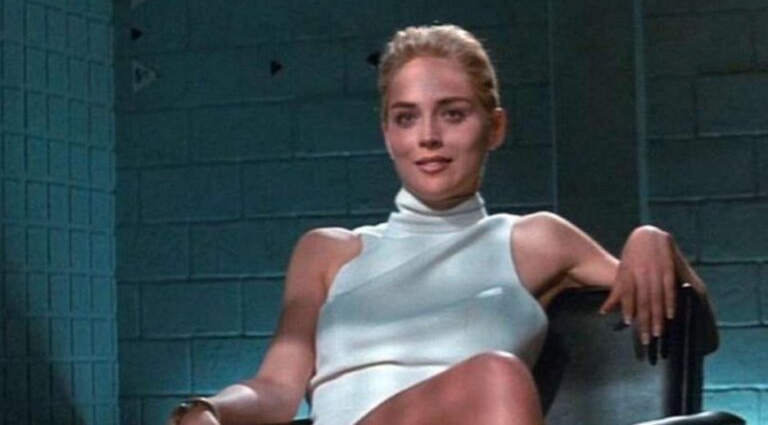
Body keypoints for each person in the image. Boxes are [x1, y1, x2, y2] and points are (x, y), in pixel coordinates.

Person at [169, 24, 711, 425]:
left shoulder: (535, 241)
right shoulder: (329, 252)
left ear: (494, 128)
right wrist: (209, 410)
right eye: (407, 117)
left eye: (453, 113)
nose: (428, 136)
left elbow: (696, 331)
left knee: (495, 377)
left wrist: (655, 242)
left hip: (485, 408)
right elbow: (276, 388)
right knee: (495, 376)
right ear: (389, 135)